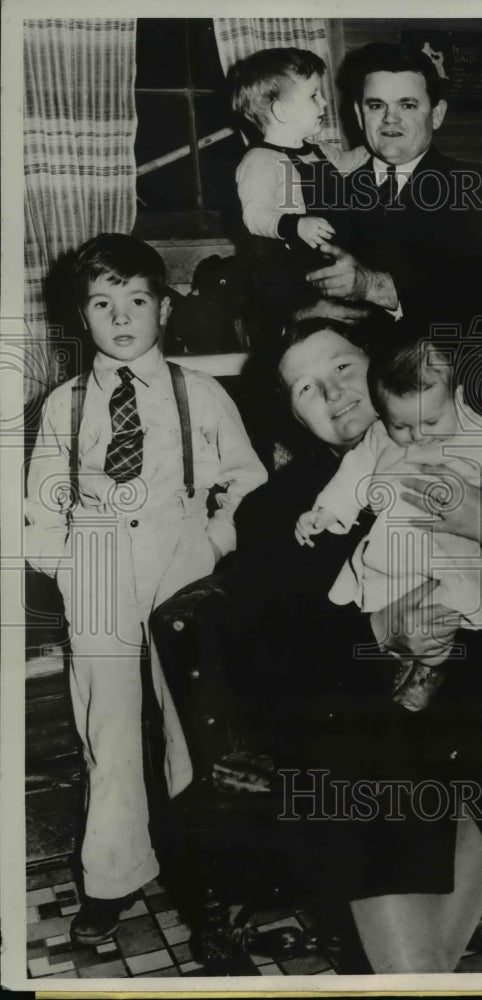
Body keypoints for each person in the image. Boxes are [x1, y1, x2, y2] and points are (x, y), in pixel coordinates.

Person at [210, 316, 482, 972]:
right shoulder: (276, 511)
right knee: (365, 748)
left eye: (342, 369)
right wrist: (383, 628)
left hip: (480, 663)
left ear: (381, 368)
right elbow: (269, 648)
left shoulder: (471, 449)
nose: (332, 395)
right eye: (305, 389)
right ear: (294, 418)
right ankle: (418, 973)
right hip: (359, 690)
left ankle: (415, 973)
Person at [24, 234, 267, 944]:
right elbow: (39, 507)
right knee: (109, 726)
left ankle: (210, 875)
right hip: (95, 559)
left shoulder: (202, 394)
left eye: (136, 300)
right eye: (103, 304)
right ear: (82, 317)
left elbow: (247, 482)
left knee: (193, 718)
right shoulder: (65, 405)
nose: (121, 317)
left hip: (179, 550)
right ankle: (113, 875)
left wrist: (214, 539)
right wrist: (68, 564)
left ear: (164, 307)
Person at [295, 332, 482, 710]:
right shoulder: (379, 436)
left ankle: (432, 666)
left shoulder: (476, 432)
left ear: (456, 397)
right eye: (402, 426)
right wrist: (325, 512)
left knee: (450, 602)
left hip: (450, 546)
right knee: (377, 593)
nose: (416, 436)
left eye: (430, 420)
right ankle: (402, 663)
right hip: (394, 548)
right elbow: (354, 473)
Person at [304, 43, 482, 323]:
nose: (389, 119)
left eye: (407, 105)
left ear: (436, 114)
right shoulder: (326, 192)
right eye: (376, 105)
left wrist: (374, 287)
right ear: (360, 116)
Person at [230, 48, 367, 249]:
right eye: (314, 95)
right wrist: (296, 226)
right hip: (289, 265)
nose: (324, 102)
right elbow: (255, 216)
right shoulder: (260, 160)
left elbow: (352, 161)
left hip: (333, 254)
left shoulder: (321, 151)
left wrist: (380, 143)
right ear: (282, 111)